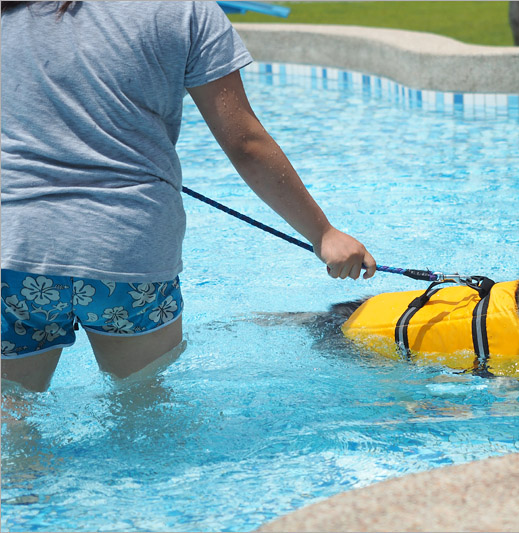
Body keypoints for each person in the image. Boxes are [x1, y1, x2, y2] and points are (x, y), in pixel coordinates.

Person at [1, 1, 377, 392]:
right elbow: (245, 143)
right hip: (128, 251)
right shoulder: (183, 9)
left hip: (14, 247)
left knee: (9, 419)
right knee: (142, 411)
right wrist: (323, 234)